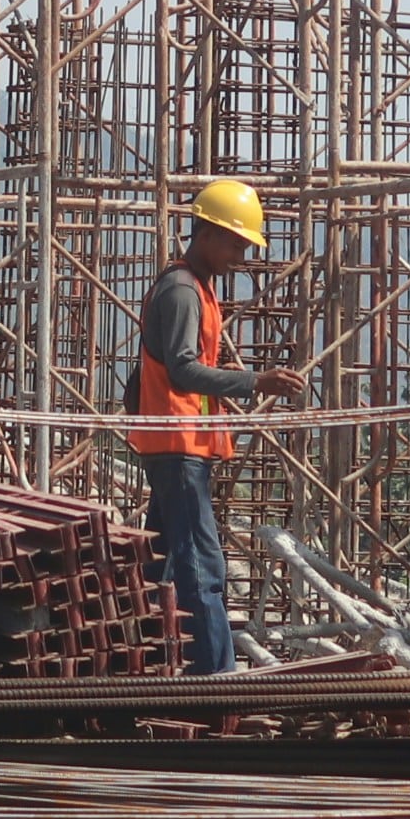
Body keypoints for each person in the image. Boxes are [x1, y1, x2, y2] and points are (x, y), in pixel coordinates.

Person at [124, 178, 307, 676]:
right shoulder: (182, 291)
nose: (242, 257)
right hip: (177, 444)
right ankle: (216, 675)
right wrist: (255, 380)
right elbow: (182, 369)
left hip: (179, 442)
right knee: (203, 564)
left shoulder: (194, 287)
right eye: (236, 244)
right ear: (207, 233)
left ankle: (138, 657)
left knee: (159, 560)